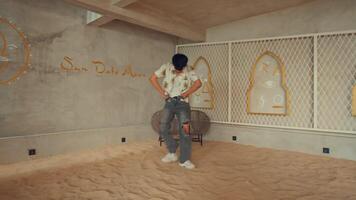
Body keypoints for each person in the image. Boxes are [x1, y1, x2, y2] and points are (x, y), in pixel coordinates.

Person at [150, 53, 202, 169]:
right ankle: (172, 151)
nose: (179, 70)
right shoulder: (166, 67)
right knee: (163, 126)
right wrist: (162, 93)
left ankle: (184, 160)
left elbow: (198, 83)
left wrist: (185, 94)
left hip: (183, 103)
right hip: (169, 102)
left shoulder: (189, 70)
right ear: (173, 64)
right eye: (178, 68)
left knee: (185, 130)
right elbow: (152, 78)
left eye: (181, 68)